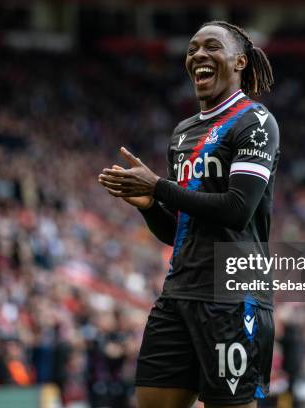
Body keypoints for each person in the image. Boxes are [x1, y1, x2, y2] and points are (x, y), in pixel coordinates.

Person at [98, 21, 279, 408]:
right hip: (179, 291)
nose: (198, 55)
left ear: (239, 62)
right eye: (192, 48)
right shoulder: (182, 134)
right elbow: (178, 229)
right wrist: (149, 207)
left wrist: (159, 188)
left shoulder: (256, 122)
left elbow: (236, 210)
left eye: (211, 47)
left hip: (232, 296)